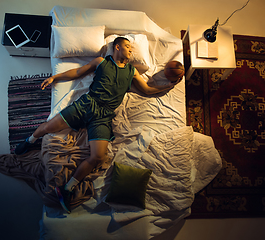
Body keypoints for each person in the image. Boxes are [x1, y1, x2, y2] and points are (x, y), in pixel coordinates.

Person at [14, 37, 182, 213]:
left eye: (131, 48)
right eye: (127, 46)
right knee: (48, 127)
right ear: (117, 47)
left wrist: (167, 86)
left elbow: (147, 90)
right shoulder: (101, 62)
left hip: (103, 116)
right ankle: (30, 140)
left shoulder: (132, 71)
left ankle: (67, 189)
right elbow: (78, 72)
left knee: (98, 157)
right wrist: (55, 77)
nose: (131, 50)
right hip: (86, 105)